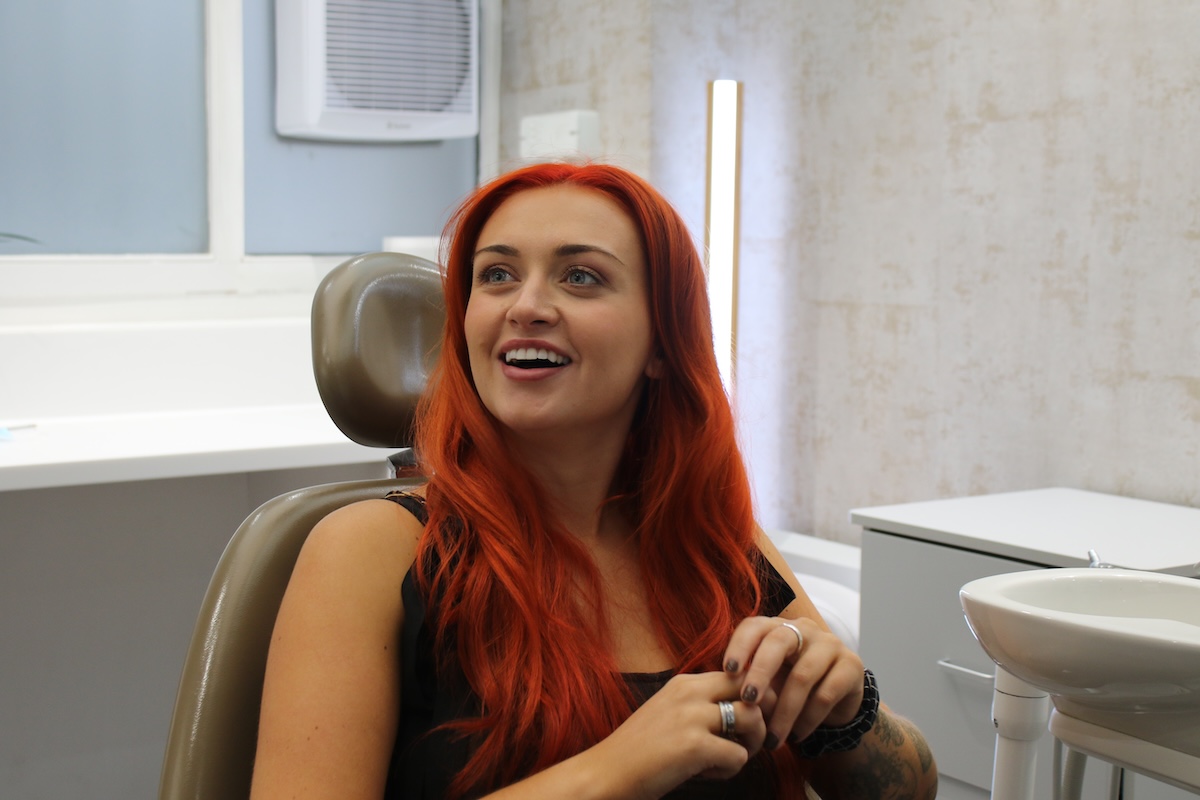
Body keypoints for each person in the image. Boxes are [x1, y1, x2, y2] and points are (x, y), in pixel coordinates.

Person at [250, 162, 937, 799]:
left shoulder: (713, 541)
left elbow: (912, 787)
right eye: (496, 276)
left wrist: (848, 713)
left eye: (580, 277)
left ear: (663, 348)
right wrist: (615, 769)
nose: (526, 305)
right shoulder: (370, 550)